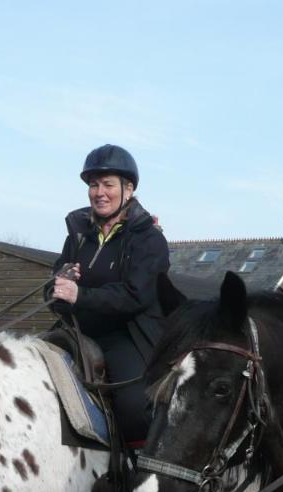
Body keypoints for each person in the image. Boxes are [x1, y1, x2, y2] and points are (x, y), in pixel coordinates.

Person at [46, 144, 169, 446]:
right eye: (93, 184)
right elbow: (55, 286)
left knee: (136, 410)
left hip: (125, 336)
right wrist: (58, 288)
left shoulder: (149, 240)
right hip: (75, 331)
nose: (99, 192)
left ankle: (137, 478)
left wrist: (80, 296)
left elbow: (134, 295)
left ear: (128, 189)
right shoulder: (78, 235)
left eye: (107, 184)